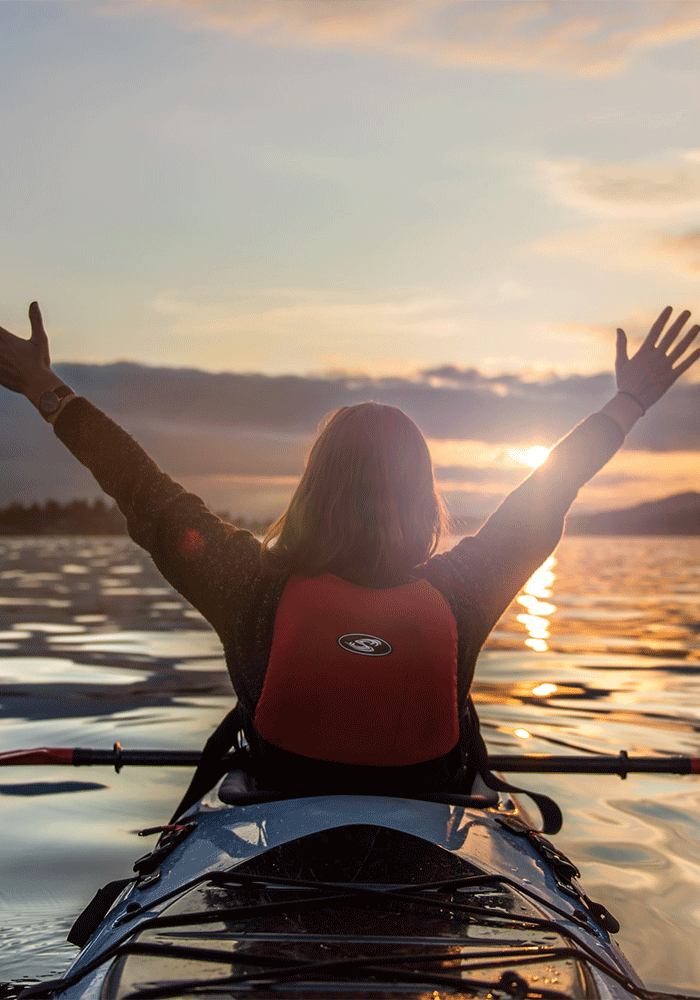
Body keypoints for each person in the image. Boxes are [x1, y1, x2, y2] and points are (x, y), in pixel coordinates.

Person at [1, 303, 698, 795]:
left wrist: (46, 390)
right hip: (430, 857)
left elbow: (142, 488)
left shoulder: (246, 583)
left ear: (311, 486)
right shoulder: (465, 588)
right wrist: (627, 404)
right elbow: (552, 487)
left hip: (279, 828)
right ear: (426, 500)